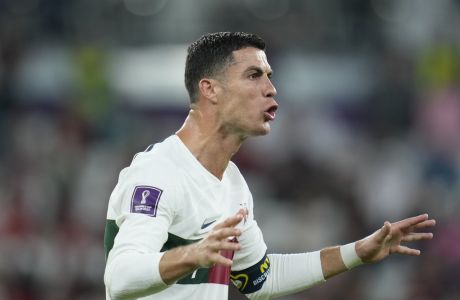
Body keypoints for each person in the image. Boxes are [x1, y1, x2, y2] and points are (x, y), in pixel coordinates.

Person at [103, 32, 435, 300]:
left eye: (269, 77)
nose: (271, 89)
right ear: (210, 90)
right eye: (253, 76)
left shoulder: (232, 184)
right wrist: (193, 254)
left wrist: (358, 252)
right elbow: (121, 276)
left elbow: (261, 279)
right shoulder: (158, 173)